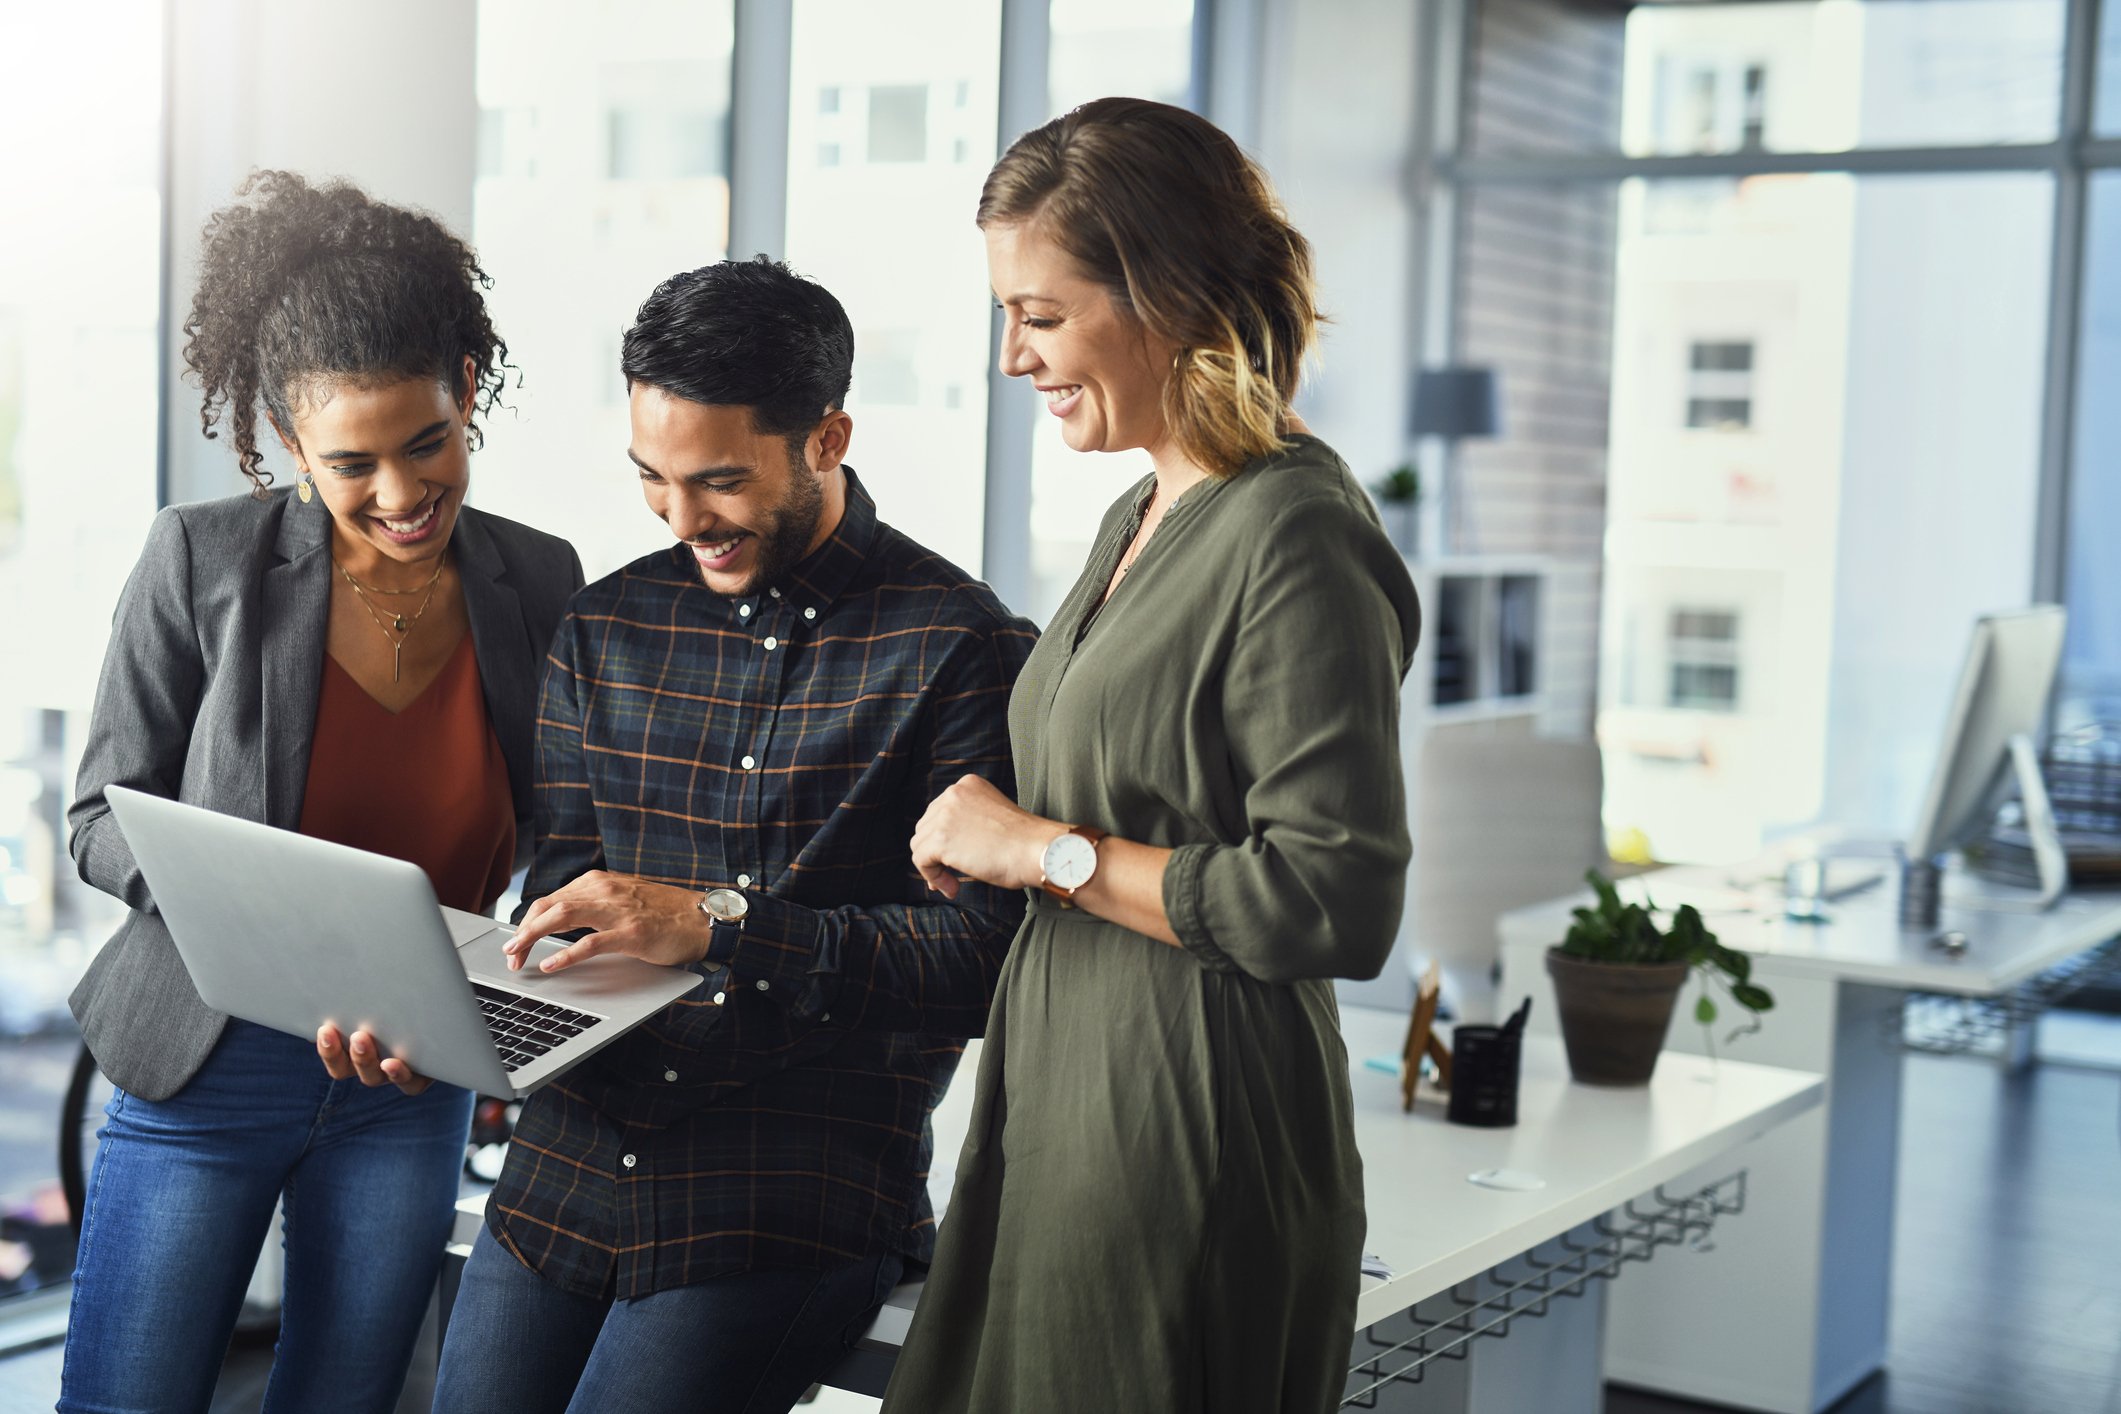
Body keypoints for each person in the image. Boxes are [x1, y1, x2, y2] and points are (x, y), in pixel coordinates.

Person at [882, 97, 1423, 1414]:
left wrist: (1042, 849)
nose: (1015, 357)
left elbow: (1330, 897)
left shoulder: (1291, 530)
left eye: (1044, 314)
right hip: (1064, 1097)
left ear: (1165, 293)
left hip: (1189, 1120)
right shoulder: (1140, 506)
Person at [423, 258, 1037, 1414]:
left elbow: (978, 966)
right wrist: (465, 1017)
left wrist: (721, 928)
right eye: (652, 478)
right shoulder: (606, 625)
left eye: (718, 481)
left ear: (826, 437)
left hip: (788, 1184)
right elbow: (562, 901)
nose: (681, 518)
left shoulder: (957, 645)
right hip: (568, 1163)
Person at [58, 170, 583, 1414]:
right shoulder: (199, 560)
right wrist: (271, 926)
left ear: (466, 387)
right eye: (352, 462)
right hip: (208, 1060)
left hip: (409, 1080)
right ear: (286, 445)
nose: (401, 496)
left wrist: (520, 987)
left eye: (427, 444)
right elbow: (98, 817)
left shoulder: (541, 576)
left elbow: (570, 831)